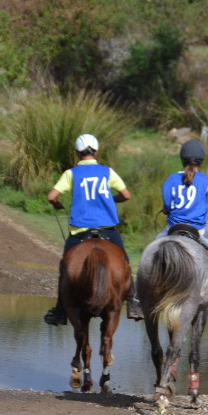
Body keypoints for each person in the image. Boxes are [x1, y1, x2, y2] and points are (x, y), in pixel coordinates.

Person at [43, 133, 143, 325]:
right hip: (107, 228)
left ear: (77, 153)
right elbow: (126, 195)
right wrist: (112, 199)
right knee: (126, 263)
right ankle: (133, 303)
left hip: (80, 231)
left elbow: (51, 196)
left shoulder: (70, 173)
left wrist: (56, 204)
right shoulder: (108, 171)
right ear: (96, 151)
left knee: (65, 268)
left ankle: (60, 311)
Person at [157, 138, 208, 308]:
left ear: (182, 159)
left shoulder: (170, 180)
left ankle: (141, 298)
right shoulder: (206, 181)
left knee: (153, 249)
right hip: (198, 230)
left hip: (173, 228)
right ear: (201, 161)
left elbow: (168, 206)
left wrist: (167, 210)